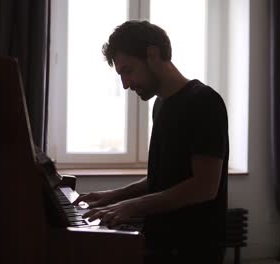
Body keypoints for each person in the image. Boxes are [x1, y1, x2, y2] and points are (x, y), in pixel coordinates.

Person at [73, 20, 229, 264]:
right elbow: (165, 177)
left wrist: (133, 206)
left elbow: (204, 186)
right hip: (162, 242)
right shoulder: (161, 104)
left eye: (128, 70)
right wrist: (113, 196)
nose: (124, 84)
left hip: (193, 248)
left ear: (153, 54)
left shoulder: (204, 102)